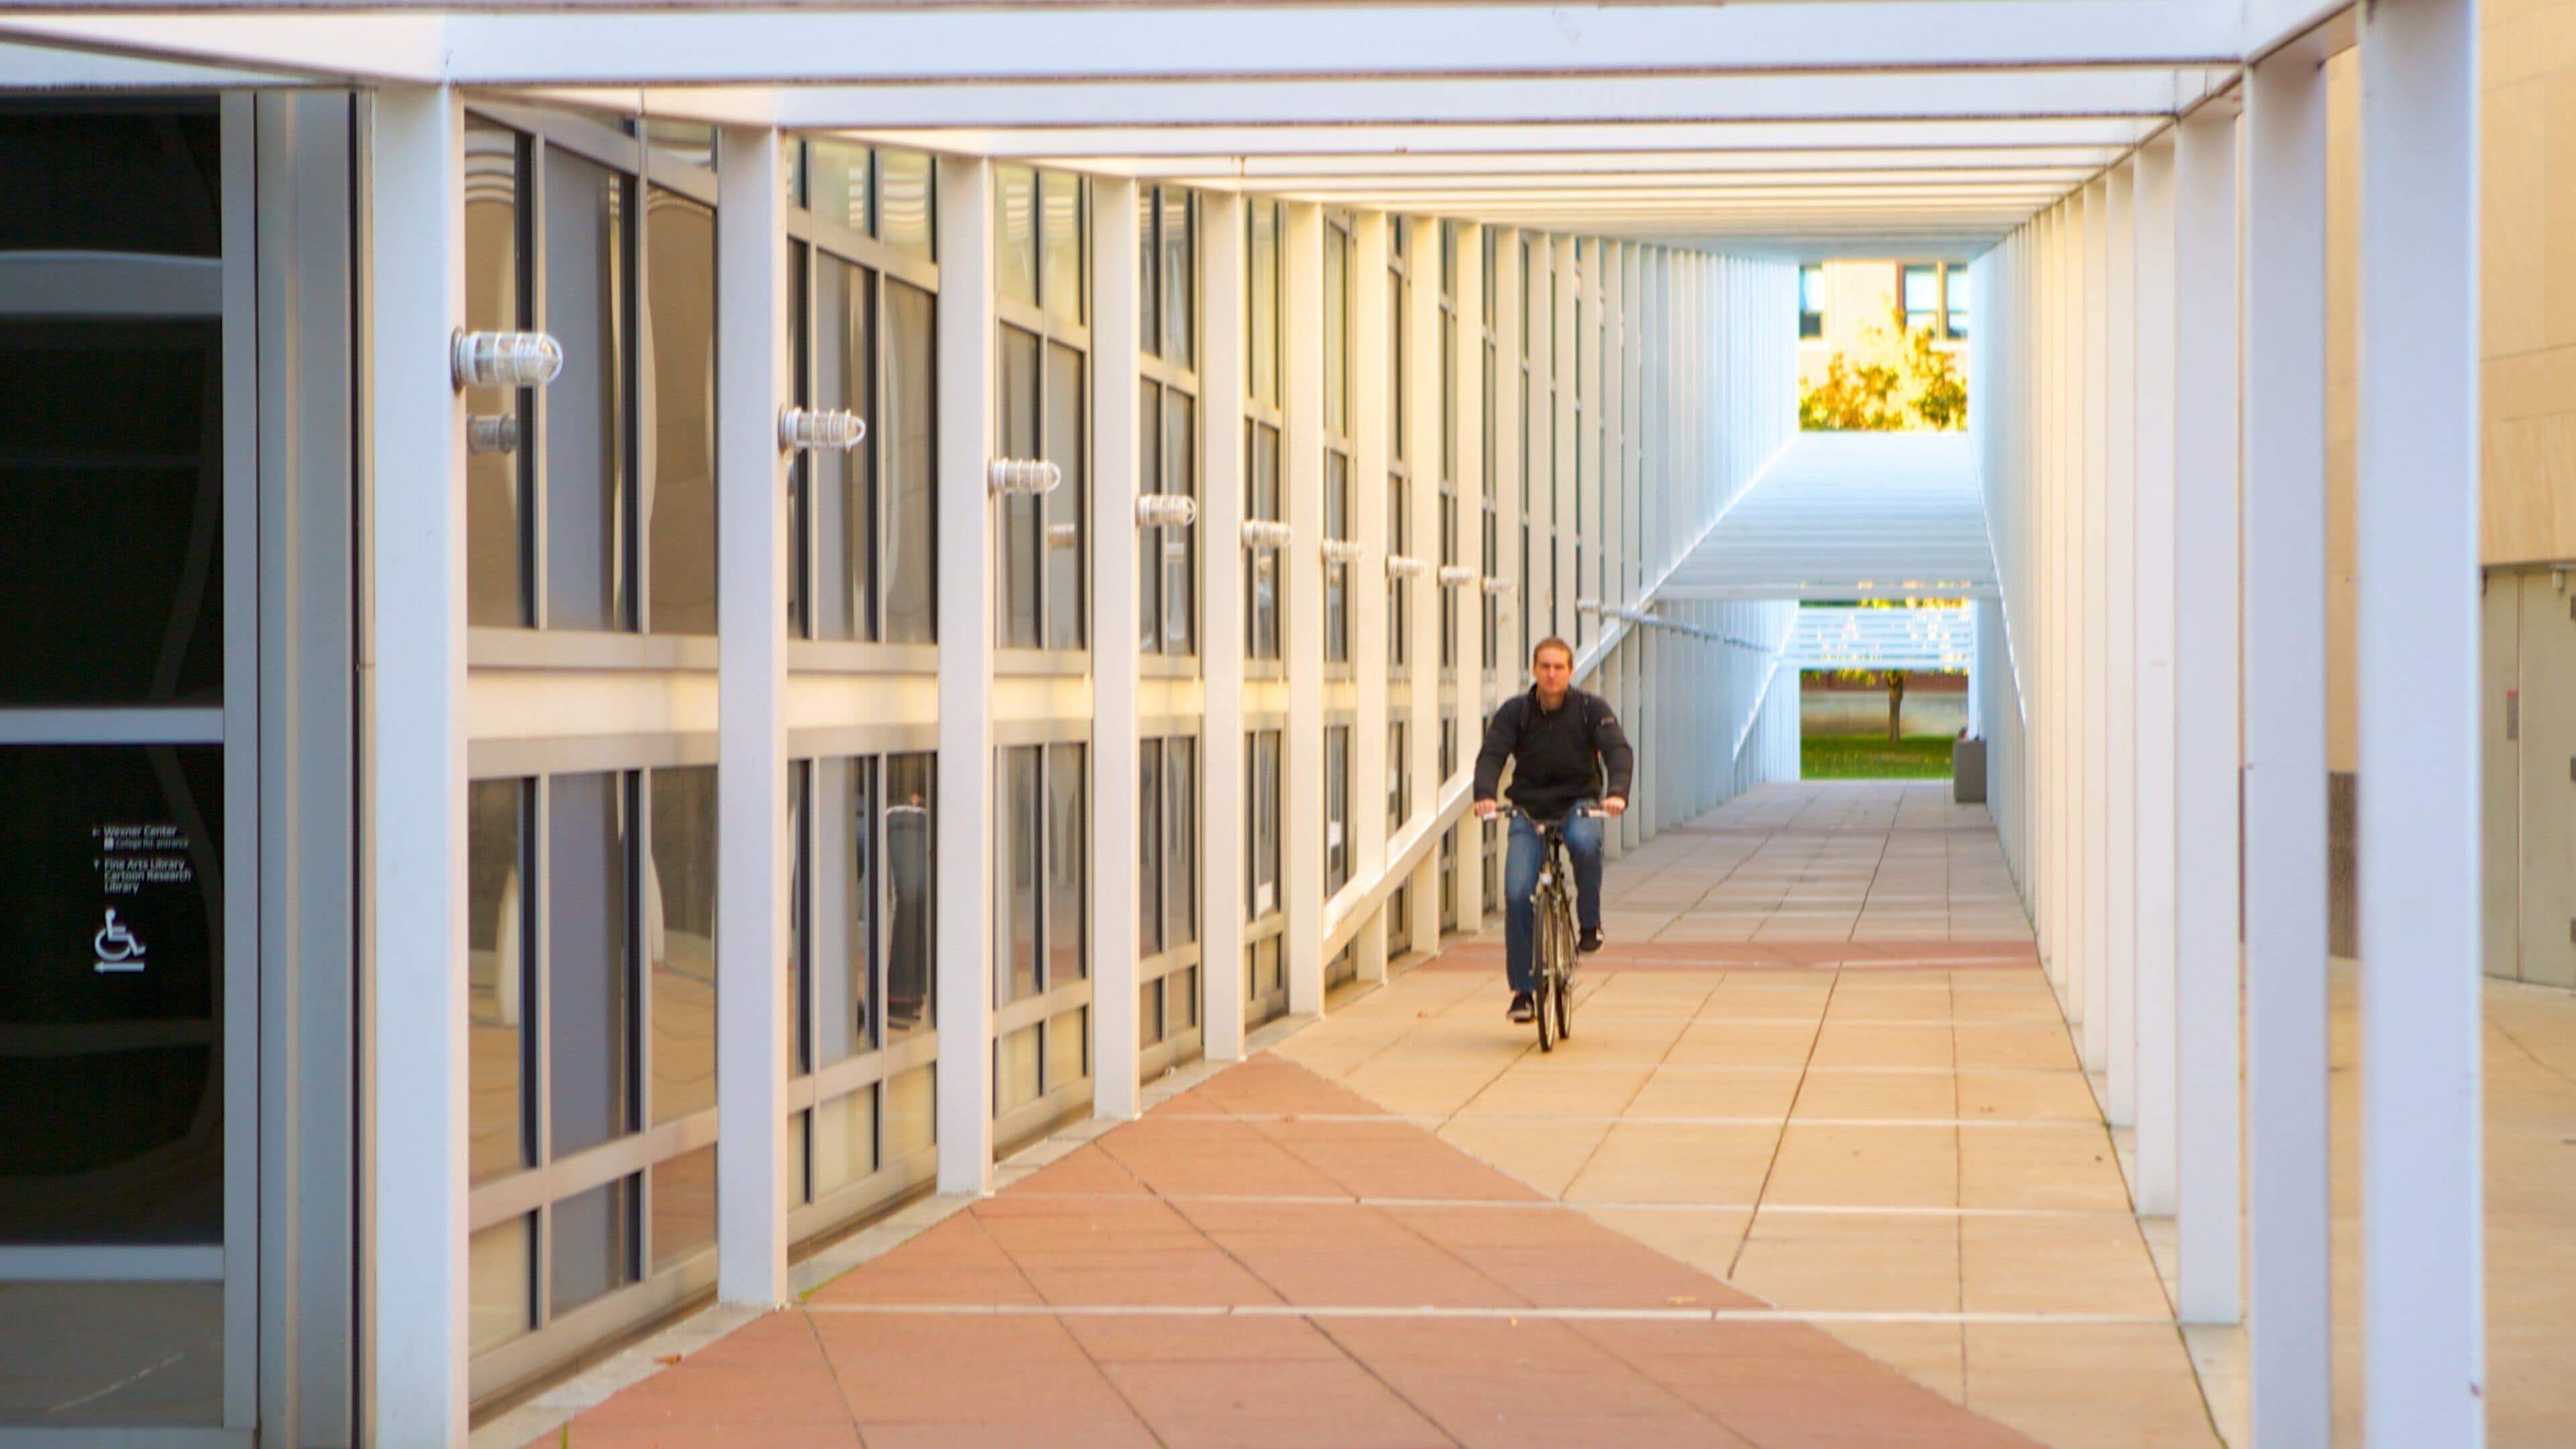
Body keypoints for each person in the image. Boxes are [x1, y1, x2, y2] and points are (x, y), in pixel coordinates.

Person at [1472, 636, 1634, 1022]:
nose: (1551, 674)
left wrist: (1617, 794)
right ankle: (1524, 992)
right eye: (1544, 667)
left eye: (1558, 667)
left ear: (1570, 671)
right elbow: (1492, 753)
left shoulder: (1589, 710)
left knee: (1583, 843)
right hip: (1529, 810)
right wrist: (1485, 795)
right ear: (1534, 671)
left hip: (1577, 802)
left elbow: (1617, 751)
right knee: (1515, 893)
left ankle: (1590, 924)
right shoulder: (1517, 713)